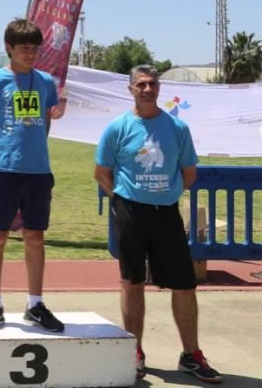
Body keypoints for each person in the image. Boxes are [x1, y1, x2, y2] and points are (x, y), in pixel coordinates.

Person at [95, 64, 222, 383]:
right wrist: (121, 199)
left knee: (184, 285)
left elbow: (189, 173)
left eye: (153, 84)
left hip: (166, 215)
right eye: (141, 85)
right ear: (131, 90)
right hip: (131, 214)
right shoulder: (117, 128)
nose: (148, 90)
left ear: (159, 88)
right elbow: (101, 172)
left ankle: (190, 354)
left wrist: (165, 194)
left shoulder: (177, 128)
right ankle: (134, 351)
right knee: (132, 282)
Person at [0, 18, 63, 333]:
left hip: (38, 172)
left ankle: (35, 304)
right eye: (24, 47)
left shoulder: (46, 83)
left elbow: (45, 122)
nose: (30, 53)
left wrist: (34, 151)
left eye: (35, 47)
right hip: (3, 173)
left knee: (35, 237)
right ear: (9, 47)